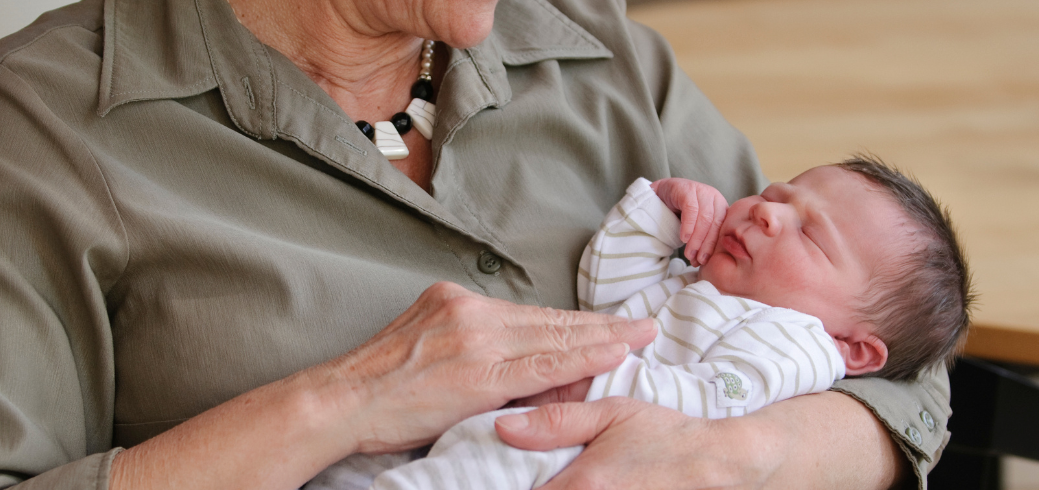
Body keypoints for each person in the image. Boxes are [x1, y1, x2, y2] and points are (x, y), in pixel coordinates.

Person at [0, 0, 951, 488]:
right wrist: (342, 402)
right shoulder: (44, 128)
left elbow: (894, 351)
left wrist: (745, 458)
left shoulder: (600, 53)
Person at [305, 157, 972, 490]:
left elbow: (714, 406)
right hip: (531, 418)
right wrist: (661, 210)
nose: (768, 214)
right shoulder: (689, 281)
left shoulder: (795, 344)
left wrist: (595, 378)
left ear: (854, 346)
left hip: (586, 454)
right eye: (776, 196)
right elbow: (605, 287)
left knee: (463, 469)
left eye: (812, 236)